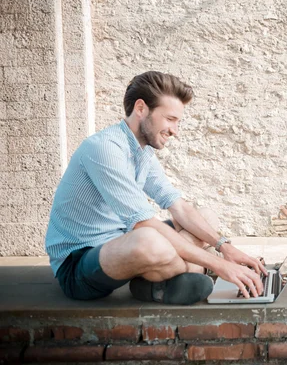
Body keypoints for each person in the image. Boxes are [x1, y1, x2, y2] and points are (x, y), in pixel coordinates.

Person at [45, 71, 267, 305]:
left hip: (122, 242)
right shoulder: (104, 148)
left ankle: (161, 280)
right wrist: (219, 264)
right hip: (79, 264)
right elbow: (142, 223)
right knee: (149, 241)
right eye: (170, 119)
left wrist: (225, 247)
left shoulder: (142, 152)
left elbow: (178, 206)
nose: (175, 130)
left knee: (206, 218)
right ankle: (184, 272)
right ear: (141, 109)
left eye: (177, 122)